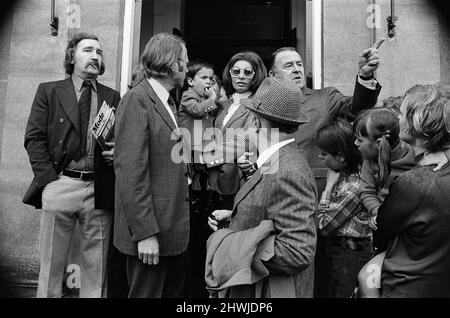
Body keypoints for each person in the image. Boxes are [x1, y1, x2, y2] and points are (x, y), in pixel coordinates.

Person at [267, 45, 381, 298]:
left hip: (317, 196)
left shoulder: (324, 98)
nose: (297, 69)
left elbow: (357, 108)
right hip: (276, 197)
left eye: (299, 64)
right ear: (272, 76)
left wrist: (364, 77)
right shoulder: (263, 105)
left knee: (320, 271)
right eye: (288, 65)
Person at [23, 32, 120, 298]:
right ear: (71, 56)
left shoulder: (113, 97)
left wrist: (117, 151)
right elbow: (34, 138)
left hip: (98, 188)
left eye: (99, 53)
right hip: (60, 183)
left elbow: (121, 138)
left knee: (96, 268)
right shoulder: (49, 90)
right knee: (51, 267)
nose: (95, 57)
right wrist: (49, 181)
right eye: (88, 50)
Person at [206, 77, 317, 298]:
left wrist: (231, 245)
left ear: (255, 122)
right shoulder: (276, 161)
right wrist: (235, 219)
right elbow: (274, 214)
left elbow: (298, 251)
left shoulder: (288, 171)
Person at [113, 33, 191, 298]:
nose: (188, 67)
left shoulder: (168, 100)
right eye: (185, 60)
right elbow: (131, 173)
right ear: (173, 64)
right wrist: (145, 233)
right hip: (149, 237)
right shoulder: (137, 99)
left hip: (171, 232)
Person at [357, 84, 450, 298]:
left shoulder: (412, 183)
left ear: (417, 124)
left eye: (401, 114)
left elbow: (382, 232)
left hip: (409, 284)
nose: (397, 120)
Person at [315, 118, 372, 298]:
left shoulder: (353, 187)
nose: (320, 158)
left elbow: (324, 226)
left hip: (349, 256)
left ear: (340, 156)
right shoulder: (346, 176)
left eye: (324, 154)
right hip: (341, 252)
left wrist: (328, 187)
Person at [354, 107, 416, 230]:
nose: (355, 143)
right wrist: (378, 212)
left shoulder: (414, 159)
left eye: (360, 140)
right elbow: (367, 191)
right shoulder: (370, 160)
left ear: (378, 143)